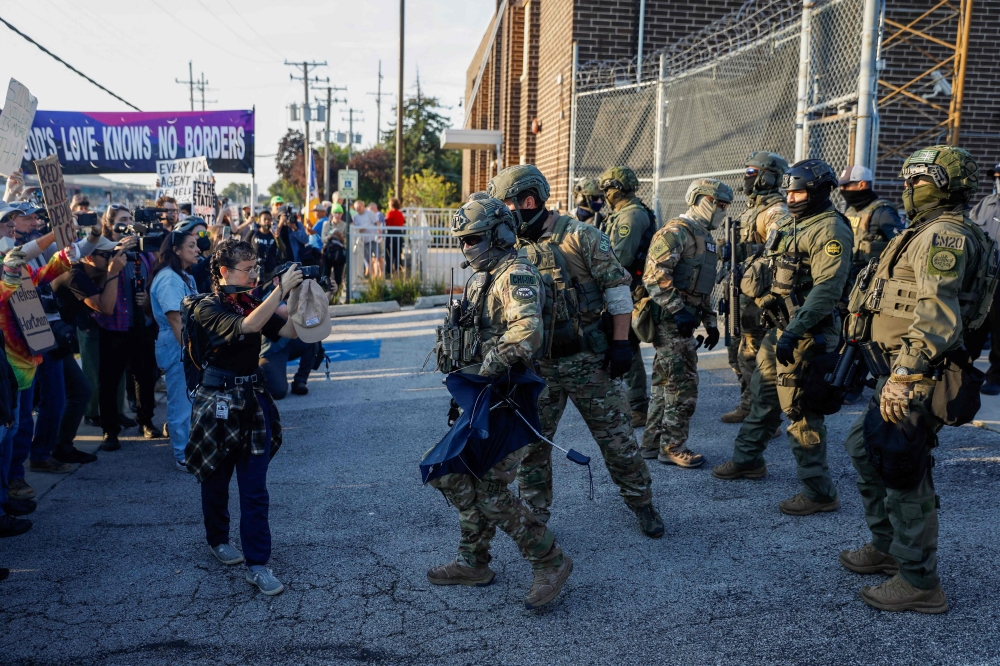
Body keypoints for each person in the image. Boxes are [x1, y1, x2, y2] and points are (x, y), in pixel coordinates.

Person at [839, 145, 996, 614]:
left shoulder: (944, 236)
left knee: (903, 469)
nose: (908, 188)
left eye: (920, 179)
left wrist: (904, 375)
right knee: (863, 447)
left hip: (917, 374)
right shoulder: (921, 230)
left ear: (947, 184)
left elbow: (938, 313)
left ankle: (919, 580)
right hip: (894, 369)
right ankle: (887, 547)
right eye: (907, 179)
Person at [487, 165, 664, 538]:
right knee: (533, 446)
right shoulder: (510, 247)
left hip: (588, 362)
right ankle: (535, 519)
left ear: (529, 200)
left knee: (617, 440)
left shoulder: (581, 236)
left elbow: (617, 290)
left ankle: (642, 503)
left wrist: (619, 345)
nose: (502, 215)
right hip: (538, 367)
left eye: (506, 205)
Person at [426, 197, 572, 609]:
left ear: (500, 234)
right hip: (481, 397)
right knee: (452, 471)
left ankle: (550, 559)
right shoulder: (480, 278)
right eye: (461, 240)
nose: (465, 247)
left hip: (511, 397)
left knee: (489, 488)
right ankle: (473, 561)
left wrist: (485, 371)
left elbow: (526, 332)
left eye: (472, 238)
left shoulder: (516, 273)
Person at [712, 159, 853, 517]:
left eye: (798, 191)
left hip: (807, 333)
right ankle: (748, 460)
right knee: (762, 394)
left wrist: (794, 330)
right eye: (788, 190)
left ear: (819, 191)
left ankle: (819, 491)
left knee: (801, 410)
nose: (790, 197)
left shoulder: (830, 230)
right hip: (780, 329)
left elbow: (827, 289)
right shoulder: (793, 223)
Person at [185, 238, 304, 596]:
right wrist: (279, 290)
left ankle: (258, 564)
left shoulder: (251, 301)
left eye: (256, 268)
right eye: (247, 269)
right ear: (224, 272)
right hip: (217, 398)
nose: (254, 275)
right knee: (215, 478)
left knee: (255, 489)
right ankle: (217, 539)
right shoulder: (205, 307)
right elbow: (248, 327)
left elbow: (288, 331)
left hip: (251, 398)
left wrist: (299, 295)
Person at [0, 208, 93, 505]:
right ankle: (7, 489)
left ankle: (12, 482)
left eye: (14, 227)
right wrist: (58, 232)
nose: (12, 231)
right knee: (9, 427)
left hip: (28, 355)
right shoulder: (9, 263)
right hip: (9, 361)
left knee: (20, 424)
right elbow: (16, 258)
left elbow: (44, 274)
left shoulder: (18, 267)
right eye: (6, 226)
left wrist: (87, 240)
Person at [639, 179, 731, 468]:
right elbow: (654, 277)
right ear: (697, 199)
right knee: (683, 386)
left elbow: (702, 286)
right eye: (716, 203)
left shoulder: (703, 237)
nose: (720, 210)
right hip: (670, 320)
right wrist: (679, 311)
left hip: (685, 319)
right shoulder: (676, 232)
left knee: (665, 383)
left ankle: (652, 444)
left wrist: (710, 322)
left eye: (724, 206)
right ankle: (673, 446)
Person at [722, 152, 791, 425]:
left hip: (757, 296)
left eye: (752, 172)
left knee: (754, 358)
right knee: (737, 354)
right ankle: (748, 404)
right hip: (741, 293)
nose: (747, 177)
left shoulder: (775, 211)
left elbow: (780, 254)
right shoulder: (753, 209)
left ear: (768, 176)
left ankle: (764, 417)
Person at [91, 205, 163, 450]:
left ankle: (146, 422)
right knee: (110, 379)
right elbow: (97, 276)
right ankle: (110, 430)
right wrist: (119, 251)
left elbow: (154, 280)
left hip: (140, 323)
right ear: (110, 226)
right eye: (122, 221)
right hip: (113, 325)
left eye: (130, 220)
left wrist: (147, 299)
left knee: (145, 375)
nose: (128, 226)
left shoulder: (145, 252)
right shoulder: (103, 250)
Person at [838, 165, 905, 404]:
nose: (843, 190)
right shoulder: (851, 210)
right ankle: (844, 379)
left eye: (847, 186)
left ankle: (855, 384)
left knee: (863, 336)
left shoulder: (882, 212)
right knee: (847, 334)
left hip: (871, 286)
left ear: (862, 185)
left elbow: (900, 246)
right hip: (850, 282)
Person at [599, 166, 656, 427]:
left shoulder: (631, 217)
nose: (605, 195)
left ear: (617, 189)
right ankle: (630, 403)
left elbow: (619, 259)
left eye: (607, 189)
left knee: (627, 348)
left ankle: (637, 407)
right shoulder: (623, 214)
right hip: (624, 288)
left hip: (628, 291)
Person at [149, 230, 200, 470]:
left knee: (189, 399)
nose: (197, 250)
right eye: (191, 245)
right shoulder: (169, 278)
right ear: (176, 250)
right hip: (177, 343)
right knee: (181, 401)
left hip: (183, 341)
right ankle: (182, 455)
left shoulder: (182, 276)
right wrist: (191, 352)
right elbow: (175, 319)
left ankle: (191, 447)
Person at [966, 163, 1000, 395]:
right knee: (973, 327)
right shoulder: (985, 205)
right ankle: (965, 372)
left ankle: (996, 377)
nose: (996, 180)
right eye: (996, 176)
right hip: (982, 278)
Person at [322, 205, 348, 296]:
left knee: (338, 276)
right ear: (332, 214)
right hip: (328, 252)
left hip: (339, 254)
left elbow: (347, 241)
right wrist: (330, 236)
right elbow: (323, 238)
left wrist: (341, 237)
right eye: (336, 213)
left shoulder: (344, 225)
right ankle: (325, 294)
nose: (337, 215)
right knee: (325, 274)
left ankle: (337, 295)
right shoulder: (326, 224)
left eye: (340, 213)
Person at [250, 212, 279, 281]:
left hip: (271, 271)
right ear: (260, 221)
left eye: (269, 219)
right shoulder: (253, 233)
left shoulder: (273, 235)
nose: (267, 221)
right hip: (255, 270)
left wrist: (277, 237)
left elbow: (283, 249)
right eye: (265, 219)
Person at [384, 198, 406, 276]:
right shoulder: (400, 214)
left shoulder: (390, 213)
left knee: (389, 252)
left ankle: (389, 269)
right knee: (398, 252)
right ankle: (398, 268)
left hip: (391, 234)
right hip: (399, 234)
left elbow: (388, 224)